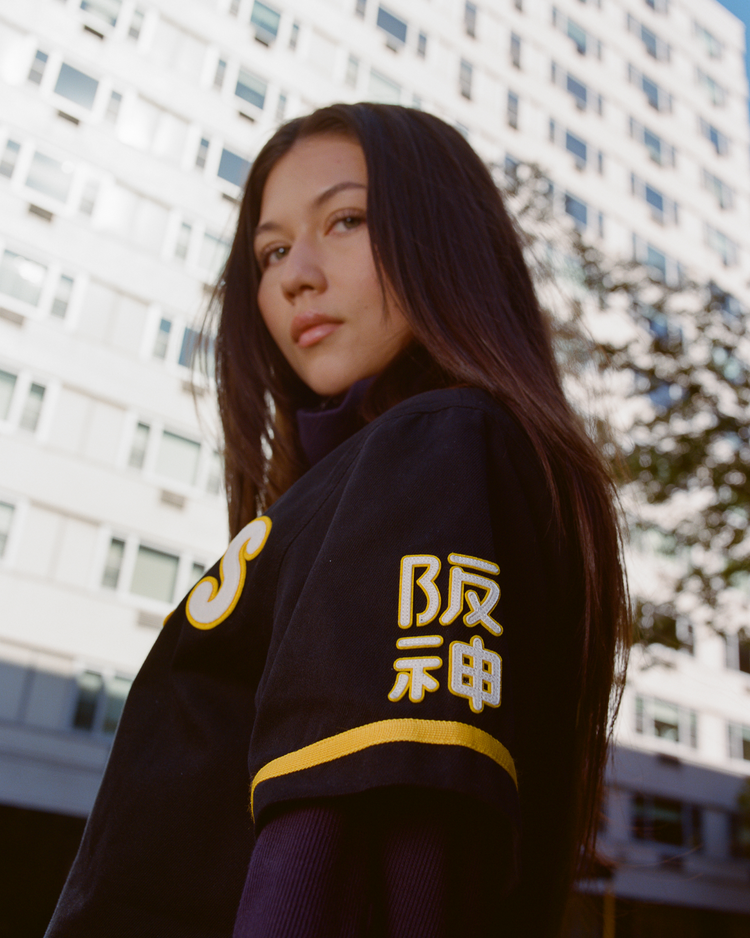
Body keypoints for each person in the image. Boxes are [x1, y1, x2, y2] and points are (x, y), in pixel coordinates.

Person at [46, 103, 629, 938]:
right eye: (272, 250)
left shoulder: (440, 449)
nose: (294, 276)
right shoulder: (368, 478)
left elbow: (360, 853)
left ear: (446, 238)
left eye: (346, 220)